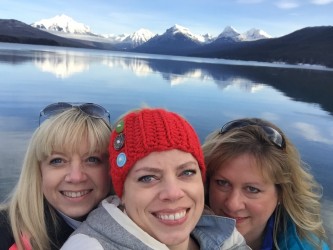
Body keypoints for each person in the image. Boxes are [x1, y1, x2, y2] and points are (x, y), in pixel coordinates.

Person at [61, 108, 248, 250]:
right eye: (148, 177)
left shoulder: (225, 236)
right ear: (122, 192)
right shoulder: (89, 245)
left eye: (187, 172)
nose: (173, 193)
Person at [202, 118, 330, 250]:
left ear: (281, 193)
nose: (233, 205)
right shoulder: (184, 231)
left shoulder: (304, 246)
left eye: (252, 189)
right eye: (222, 183)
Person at [0, 102, 113, 250]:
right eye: (58, 161)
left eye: (92, 159)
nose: (76, 177)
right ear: (38, 171)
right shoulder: (6, 234)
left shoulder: (140, 222)